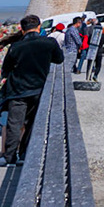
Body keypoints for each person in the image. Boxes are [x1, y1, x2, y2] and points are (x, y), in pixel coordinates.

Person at [2, 15, 64, 166]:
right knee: (32, 123)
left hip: (17, 90)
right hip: (39, 89)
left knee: (14, 124)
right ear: (39, 27)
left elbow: (6, 69)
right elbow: (59, 59)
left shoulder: (16, 47)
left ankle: (10, 157)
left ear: (23, 30)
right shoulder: (49, 43)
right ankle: (24, 154)